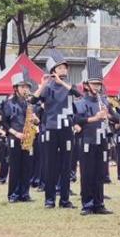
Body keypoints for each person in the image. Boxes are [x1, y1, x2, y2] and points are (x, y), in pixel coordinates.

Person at [72, 57, 117, 215]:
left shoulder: (104, 100)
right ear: (85, 85)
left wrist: (108, 116)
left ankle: (99, 203)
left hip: (102, 139)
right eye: (94, 83)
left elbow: (118, 118)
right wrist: (95, 118)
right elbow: (78, 120)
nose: (97, 87)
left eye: (99, 84)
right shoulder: (79, 102)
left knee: (100, 173)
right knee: (87, 173)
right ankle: (87, 204)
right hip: (87, 140)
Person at [35, 51, 79, 209]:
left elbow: (79, 94)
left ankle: (65, 199)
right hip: (51, 129)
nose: (63, 70)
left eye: (65, 68)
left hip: (66, 129)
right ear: (53, 70)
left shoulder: (70, 86)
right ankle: (49, 199)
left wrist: (63, 83)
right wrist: (42, 85)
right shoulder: (47, 87)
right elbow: (33, 100)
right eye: (60, 68)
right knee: (50, 165)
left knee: (66, 165)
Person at [1, 69, 35, 203]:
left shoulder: (28, 103)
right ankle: (13, 195)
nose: (25, 89)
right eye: (22, 86)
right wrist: (15, 133)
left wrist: (35, 120)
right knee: (15, 167)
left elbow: (32, 119)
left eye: (27, 87)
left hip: (27, 137)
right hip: (15, 138)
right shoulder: (8, 103)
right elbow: (4, 122)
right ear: (15, 88)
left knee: (27, 167)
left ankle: (24, 194)